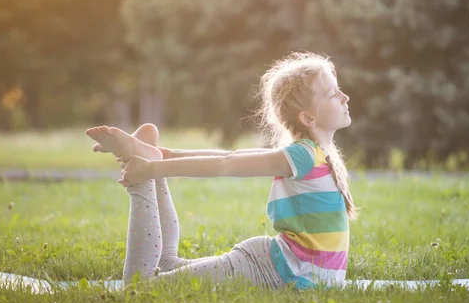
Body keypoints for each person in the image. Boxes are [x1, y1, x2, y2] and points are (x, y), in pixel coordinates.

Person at [85, 51, 356, 290]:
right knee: (140, 288)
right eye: (333, 94)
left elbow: (230, 156)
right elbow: (228, 164)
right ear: (308, 118)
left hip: (278, 266)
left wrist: (165, 158)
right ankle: (139, 176)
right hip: (274, 271)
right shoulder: (304, 154)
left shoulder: (314, 153)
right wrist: (152, 169)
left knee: (168, 265)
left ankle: (147, 158)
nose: (345, 97)